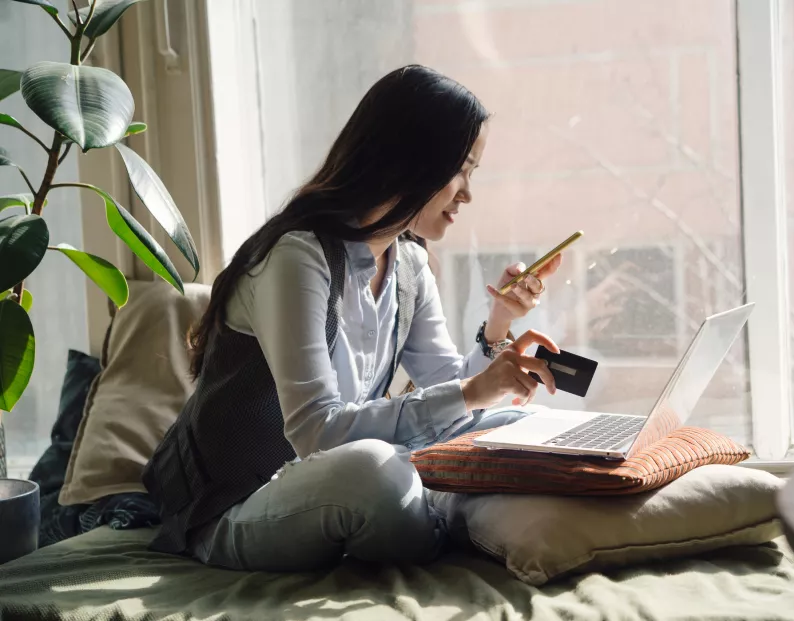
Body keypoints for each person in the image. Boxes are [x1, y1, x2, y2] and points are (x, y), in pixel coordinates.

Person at [142, 65, 564, 572]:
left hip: (345, 482)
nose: (468, 193)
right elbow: (316, 433)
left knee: (527, 424)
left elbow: (450, 392)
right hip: (240, 505)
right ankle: (452, 513)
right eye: (462, 169)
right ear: (410, 160)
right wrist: (471, 394)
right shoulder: (297, 257)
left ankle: (448, 508)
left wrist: (497, 327)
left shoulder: (408, 263)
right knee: (373, 474)